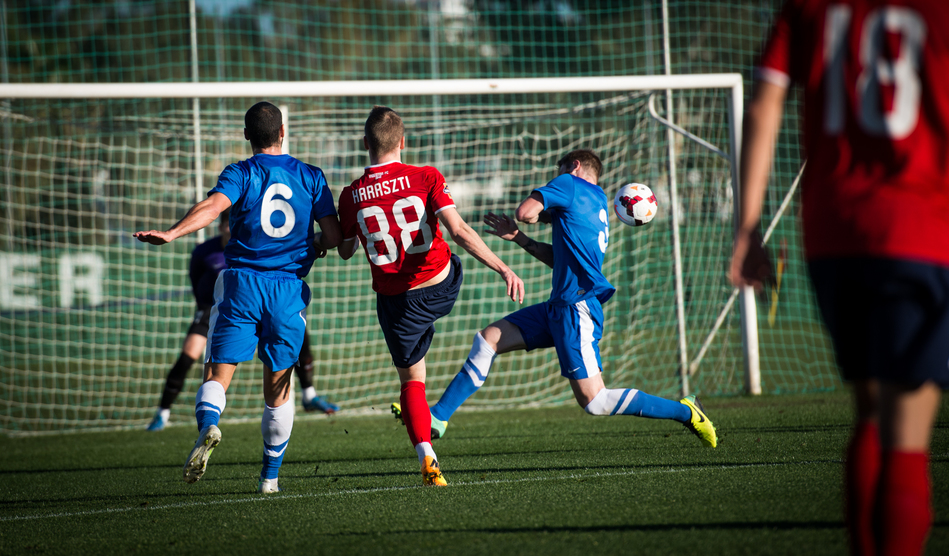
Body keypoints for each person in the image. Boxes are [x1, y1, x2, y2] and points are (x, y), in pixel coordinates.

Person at [729, 2, 949, 554]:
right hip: (921, 230)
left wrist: (748, 227)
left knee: (870, 410)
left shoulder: (807, 7)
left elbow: (765, 102)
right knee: (906, 430)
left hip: (834, 237)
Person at [416, 149, 717, 449]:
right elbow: (559, 259)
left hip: (576, 308)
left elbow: (525, 212)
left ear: (574, 166)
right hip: (559, 308)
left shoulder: (569, 183)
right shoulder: (597, 201)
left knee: (595, 400)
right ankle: (438, 417)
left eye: (558, 171)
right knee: (489, 339)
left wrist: (534, 215)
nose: (555, 179)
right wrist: (521, 237)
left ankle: (686, 411)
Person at [135, 101, 342, 494]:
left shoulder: (239, 173)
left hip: (241, 286)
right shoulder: (312, 176)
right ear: (282, 132)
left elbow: (213, 208)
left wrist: (172, 232)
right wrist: (315, 243)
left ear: (247, 136)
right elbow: (333, 238)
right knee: (278, 391)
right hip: (286, 289)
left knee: (217, 375)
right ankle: (269, 479)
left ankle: (210, 424)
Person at [336, 106, 524, 486]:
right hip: (441, 286)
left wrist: (328, 236)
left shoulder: (351, 194)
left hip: (397, 303)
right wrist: (503, 268)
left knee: (412, 382)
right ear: (403, 142)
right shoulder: (426, 177)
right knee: (448, 257)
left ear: (365, 143)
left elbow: (344, 250)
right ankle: (432, 442)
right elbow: (459, 231)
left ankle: (427, 455)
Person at [146, 210, 340, 432]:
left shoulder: (254, 246)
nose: (231, 228)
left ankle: (309, 395)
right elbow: (196, 280)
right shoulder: (204, 251)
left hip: (253, 303)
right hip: (213, 309)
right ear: (221, 226)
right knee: (189, 355)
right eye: (228, 225)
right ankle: (162, 413)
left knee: (297, 333)